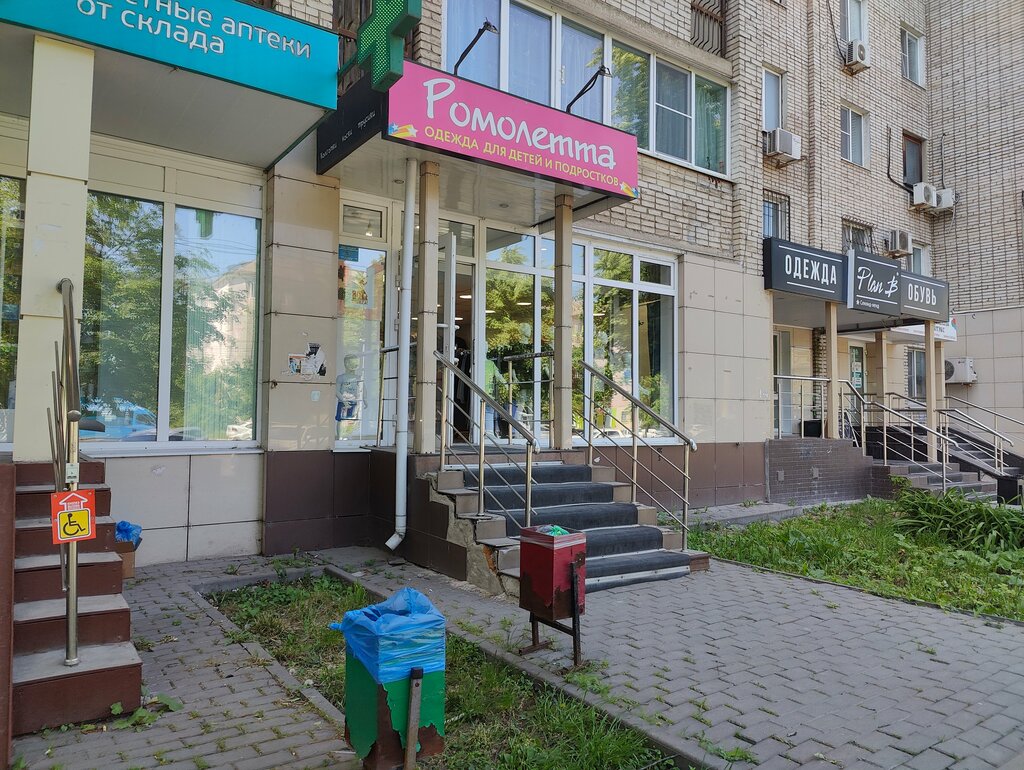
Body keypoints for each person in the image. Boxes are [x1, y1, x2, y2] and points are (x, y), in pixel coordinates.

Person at [336, 354, 363, 422]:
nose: (355, 365)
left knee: (351, 421)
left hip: (354, 403)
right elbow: (336, 391)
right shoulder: (341, 377)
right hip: (343, 403)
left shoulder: (358, 378)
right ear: (346, 364)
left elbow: (362, 390)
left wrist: (363, 400)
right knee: (341, 421)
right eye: (352, 363)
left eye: (356, 363)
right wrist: (344, 400)